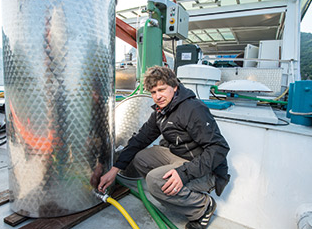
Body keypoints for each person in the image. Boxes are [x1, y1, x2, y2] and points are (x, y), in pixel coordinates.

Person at [98, 66, 230, 229]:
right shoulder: (161, 112)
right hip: (182, 159)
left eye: (161, 89)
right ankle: (173, 192)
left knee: (155, 181)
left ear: (174, 87)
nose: (158, 96)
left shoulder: (192, 109)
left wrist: (183, 174)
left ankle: (202, 206)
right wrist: (115, 169)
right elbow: (140, 139)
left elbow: (219, 148)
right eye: (153, 92)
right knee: (141, 158)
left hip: (208, 171)